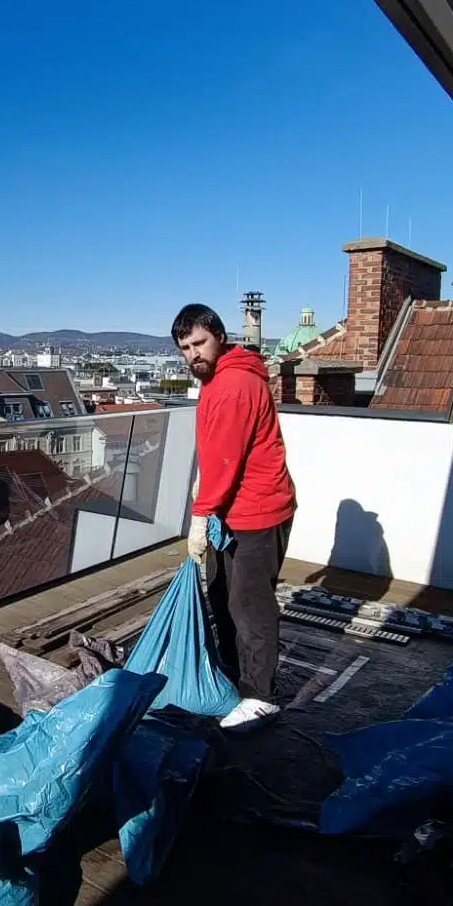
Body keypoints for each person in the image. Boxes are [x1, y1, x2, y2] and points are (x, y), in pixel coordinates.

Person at [172, 303, 297, 730]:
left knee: (250, 607)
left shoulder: (233, 386)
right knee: (226, 598)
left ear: (220, 337)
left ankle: (260, 696)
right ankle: (233, 679)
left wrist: (200, 513)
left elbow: (226, 458)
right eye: (185, 347)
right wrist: (205, 497)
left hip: (257, 512)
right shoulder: (216, 379)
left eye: (199, 343)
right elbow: (216, 452)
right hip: (235, 510)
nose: (193, 354)